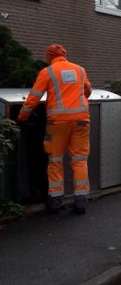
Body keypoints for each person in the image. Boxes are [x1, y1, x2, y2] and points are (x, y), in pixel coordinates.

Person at [17, 44, 93, 214]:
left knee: (55, 160)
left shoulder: (48, 72)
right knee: (80, 160)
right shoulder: (79, 70)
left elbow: (33, 98)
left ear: (49, 56)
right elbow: (87, 91)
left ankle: (55, 200)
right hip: (81, 120)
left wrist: (22, 116)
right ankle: (80, 201)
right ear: (64, 55)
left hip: (57, 123)